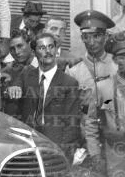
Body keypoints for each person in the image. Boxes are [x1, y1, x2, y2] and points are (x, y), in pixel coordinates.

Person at [83, 30, 125, 177]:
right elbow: (91, 123)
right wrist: (95, 155)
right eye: (123, 58)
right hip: (114, 158)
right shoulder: (102, 87)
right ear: (115, 60)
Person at [13, 31, 83, 161]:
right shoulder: (26, 75)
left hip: (55, 147)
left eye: (51, 46)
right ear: (34, 52)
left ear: (56, 49)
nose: (48, 51)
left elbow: (72, 125)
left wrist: (62, 153)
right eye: (42, 48)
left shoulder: (69, 83)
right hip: (28, 146)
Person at [67, 10, 119, 122]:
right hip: (85, 128)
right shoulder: (73, 70)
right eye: (86, 37)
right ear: (82, 38)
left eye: (96, 36)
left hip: (113, 126)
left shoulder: (117, 65)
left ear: (106, 36)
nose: (91, 42)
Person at [1, 30, 36, 119]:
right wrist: (7, 91)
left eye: (20, 46)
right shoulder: (7, 71)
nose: (16, 52)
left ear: (30, 44)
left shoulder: (44, 68)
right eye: (12, 49)